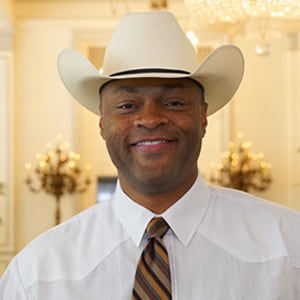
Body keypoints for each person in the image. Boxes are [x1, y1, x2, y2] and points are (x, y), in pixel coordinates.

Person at [1, 10, 300, 300]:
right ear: (103, 123)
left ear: (203, 117)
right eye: (128, 106)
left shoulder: (288, 249)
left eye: (173, 102)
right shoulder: (38, 274)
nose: (150, 119)